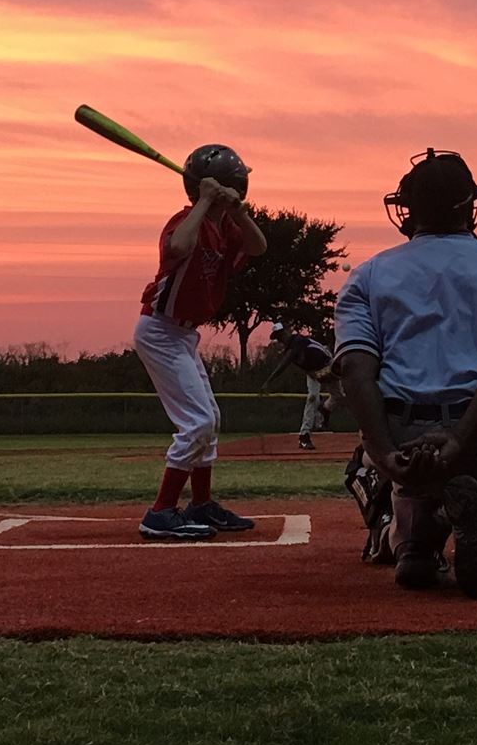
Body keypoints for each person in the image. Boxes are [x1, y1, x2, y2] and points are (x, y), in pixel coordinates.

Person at [335, 148, 477, 599]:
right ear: (471, 205)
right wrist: (458, 440)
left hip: (399, 431)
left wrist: (384, 451)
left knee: (370, 467)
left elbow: (355, 368)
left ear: (406, 209)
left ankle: (414, 543)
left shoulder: (368, 275)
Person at [134, 144, 269, 540]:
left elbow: (259, 246)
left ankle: (201, 504)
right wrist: (205, 201)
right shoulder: (185, 221)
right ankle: (160, 512)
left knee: (211, 419)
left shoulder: (227, 229)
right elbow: (178, 247)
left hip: (183, 334)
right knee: (198, 421)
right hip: (160, 330)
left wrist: (237, 210)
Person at [275, 328, 338, 451]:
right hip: (313, 371)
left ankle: (324, 410)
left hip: (327, 364)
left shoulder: (297, 340)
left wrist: (269, 381)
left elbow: (285, 363)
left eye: (281, 334)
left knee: (340, 395)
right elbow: (304, 367)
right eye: (278, 337)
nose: (281, 339)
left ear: (286, 332)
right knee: (312, 397)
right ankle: (304, 436)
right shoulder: (289, 351)